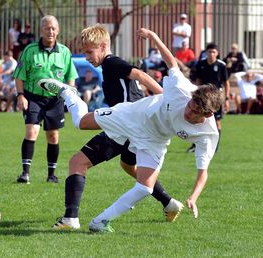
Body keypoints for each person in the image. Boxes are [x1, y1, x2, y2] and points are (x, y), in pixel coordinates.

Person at [38, 27, 223, 233]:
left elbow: (203, 172)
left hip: (156, 138)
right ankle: (68, 93)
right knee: (81, 124)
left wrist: (193, 197)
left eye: (195, 111)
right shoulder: (183, 91)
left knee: (144, 186)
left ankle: (99, 222)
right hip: (133, 117)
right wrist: (154, 37)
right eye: (189, 105)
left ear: (207, 116)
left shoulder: (208, 134)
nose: (188, 111)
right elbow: (171, 61)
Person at [51, 24, 183, 230]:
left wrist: (165, 100)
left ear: (103, 46)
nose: (86, 57)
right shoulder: (108, 66)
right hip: (135, 127)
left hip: (125, 127)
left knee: (77, 162)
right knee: (128, 166)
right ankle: (168, 202)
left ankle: (70, 219)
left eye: (89, 51)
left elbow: (141, 75)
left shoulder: (112, 62)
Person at [13, 15, 78, 184]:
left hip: (55, 100)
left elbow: (71, 76)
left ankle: (51, 175)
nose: (50, 31)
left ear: (58, 30)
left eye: (53, 28)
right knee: (31, 131)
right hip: (32, 98)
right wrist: (21, 96)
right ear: (41, 30)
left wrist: (69, 94)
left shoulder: (64, 52)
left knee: (53, 136)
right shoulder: (30, 50)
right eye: (47, 28)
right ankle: (25, 173)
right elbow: (19, 75)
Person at [186, 43, 229, 153]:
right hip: (203, 98)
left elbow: (226, 83)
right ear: (206, 53)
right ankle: (195, 145)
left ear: (217, 53)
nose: (211, 54)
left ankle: (215, 147)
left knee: (217, 121)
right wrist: (197, 93)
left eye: (213, 52)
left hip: (215, 99)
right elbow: (198, 80)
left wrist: (227, 99)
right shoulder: (201, 64)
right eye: (209, 51)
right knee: (198, 119)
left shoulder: (221, 65)